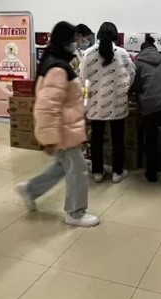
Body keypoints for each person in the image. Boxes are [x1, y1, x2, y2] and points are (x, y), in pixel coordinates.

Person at [16, 21, 99, 228]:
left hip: (66, 128)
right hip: (64, 130)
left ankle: (30, 190)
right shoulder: (57, 69)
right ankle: (75, 213)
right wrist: (50, 139)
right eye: (74, 40)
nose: (77, 44)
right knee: (78, 171)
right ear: (64, 42)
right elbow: (47, 107)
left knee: (61, 168)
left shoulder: (56, 62)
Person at [81, 22, 135, 183]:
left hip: (95, 104)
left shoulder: (88, 54)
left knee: (96, 138)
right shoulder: (122, 53)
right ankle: (117, 172)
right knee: (117, 138)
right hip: (117, 103)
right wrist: (123, 89)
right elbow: (131, 74)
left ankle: (97, 172)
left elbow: (83, 80)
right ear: (115, 36)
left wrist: (85, 103)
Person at [131, 36, 161, 185]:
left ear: (141, 51)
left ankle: (151, 173)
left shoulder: (138, 63)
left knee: (151, 141)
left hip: (151, 106)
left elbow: (135, 86)